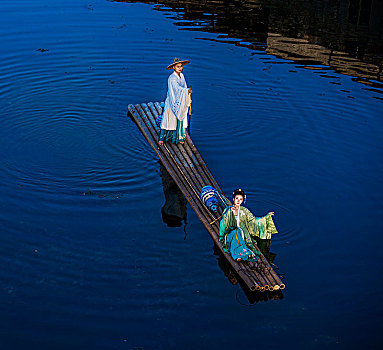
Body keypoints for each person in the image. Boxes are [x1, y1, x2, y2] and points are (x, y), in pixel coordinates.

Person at [219, 188, 277, 262]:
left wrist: (265, 218)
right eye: (237, 198)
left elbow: (253, 221)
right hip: (231, 233)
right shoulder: (228, 210)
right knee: (236, 234)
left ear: (243, 200)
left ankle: (245, 253)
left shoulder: (244, 211)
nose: (238, 201)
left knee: (240, 235)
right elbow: (224, 223)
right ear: (233, 199)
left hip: (243, 233)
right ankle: (238, 255)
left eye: (240, 199)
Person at [158, 57, 192, 145]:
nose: (180, 68)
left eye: (181, 66)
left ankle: (179, 136)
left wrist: (187, 94)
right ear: (174, 67)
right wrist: (186, 91)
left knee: (180, 117)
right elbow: (176, 89)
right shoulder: (172, 78)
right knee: (169, 119)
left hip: (180, 99)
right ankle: (162, 138)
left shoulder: (182, 76)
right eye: (178, 66)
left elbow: (184, 86)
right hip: (172, 101)